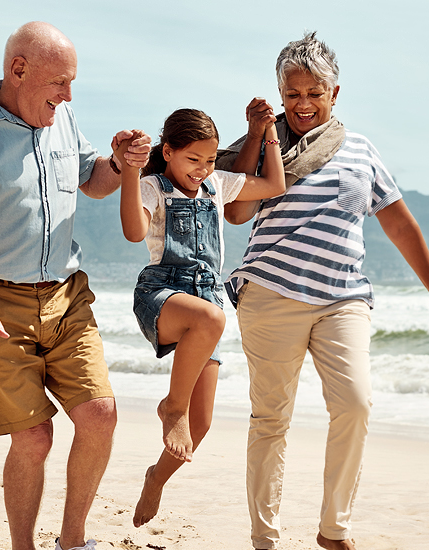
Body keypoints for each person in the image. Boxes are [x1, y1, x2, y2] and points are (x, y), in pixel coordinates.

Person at [217, 32, 429, 550]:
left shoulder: (362, 150)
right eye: (292, 94)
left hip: (343, 298)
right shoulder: (266, 144)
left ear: (334, 93)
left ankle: (334, 530)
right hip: (271, 293)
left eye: (314, 93)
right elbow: (234, 211)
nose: (303, 105)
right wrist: (258, 135)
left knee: (355, 404)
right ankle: (264, 536)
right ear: (280, 94)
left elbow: (400, 225)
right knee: (271, 418)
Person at [0, 21, 151, 550]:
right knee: (33, 437)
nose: (69, 96)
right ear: (18, 69)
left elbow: (94, 180)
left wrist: (119, 162)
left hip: (68, 296)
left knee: (100, 415)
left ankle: (73, 542)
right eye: (61, 82)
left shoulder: (62, 117)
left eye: (72, 84)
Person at [111, 107, 287, 527]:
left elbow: (275, 184)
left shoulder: (216, 185)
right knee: (210, 319)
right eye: (193, 160)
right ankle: (172, 409)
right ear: (167, 152)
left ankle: (155, 478)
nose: (203, 169)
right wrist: (132, 173)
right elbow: (135, 232)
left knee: (203, 422)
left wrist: (266, 134)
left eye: (209, 160)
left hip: (206, 299)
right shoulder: (153, 187)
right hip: (162, 293)